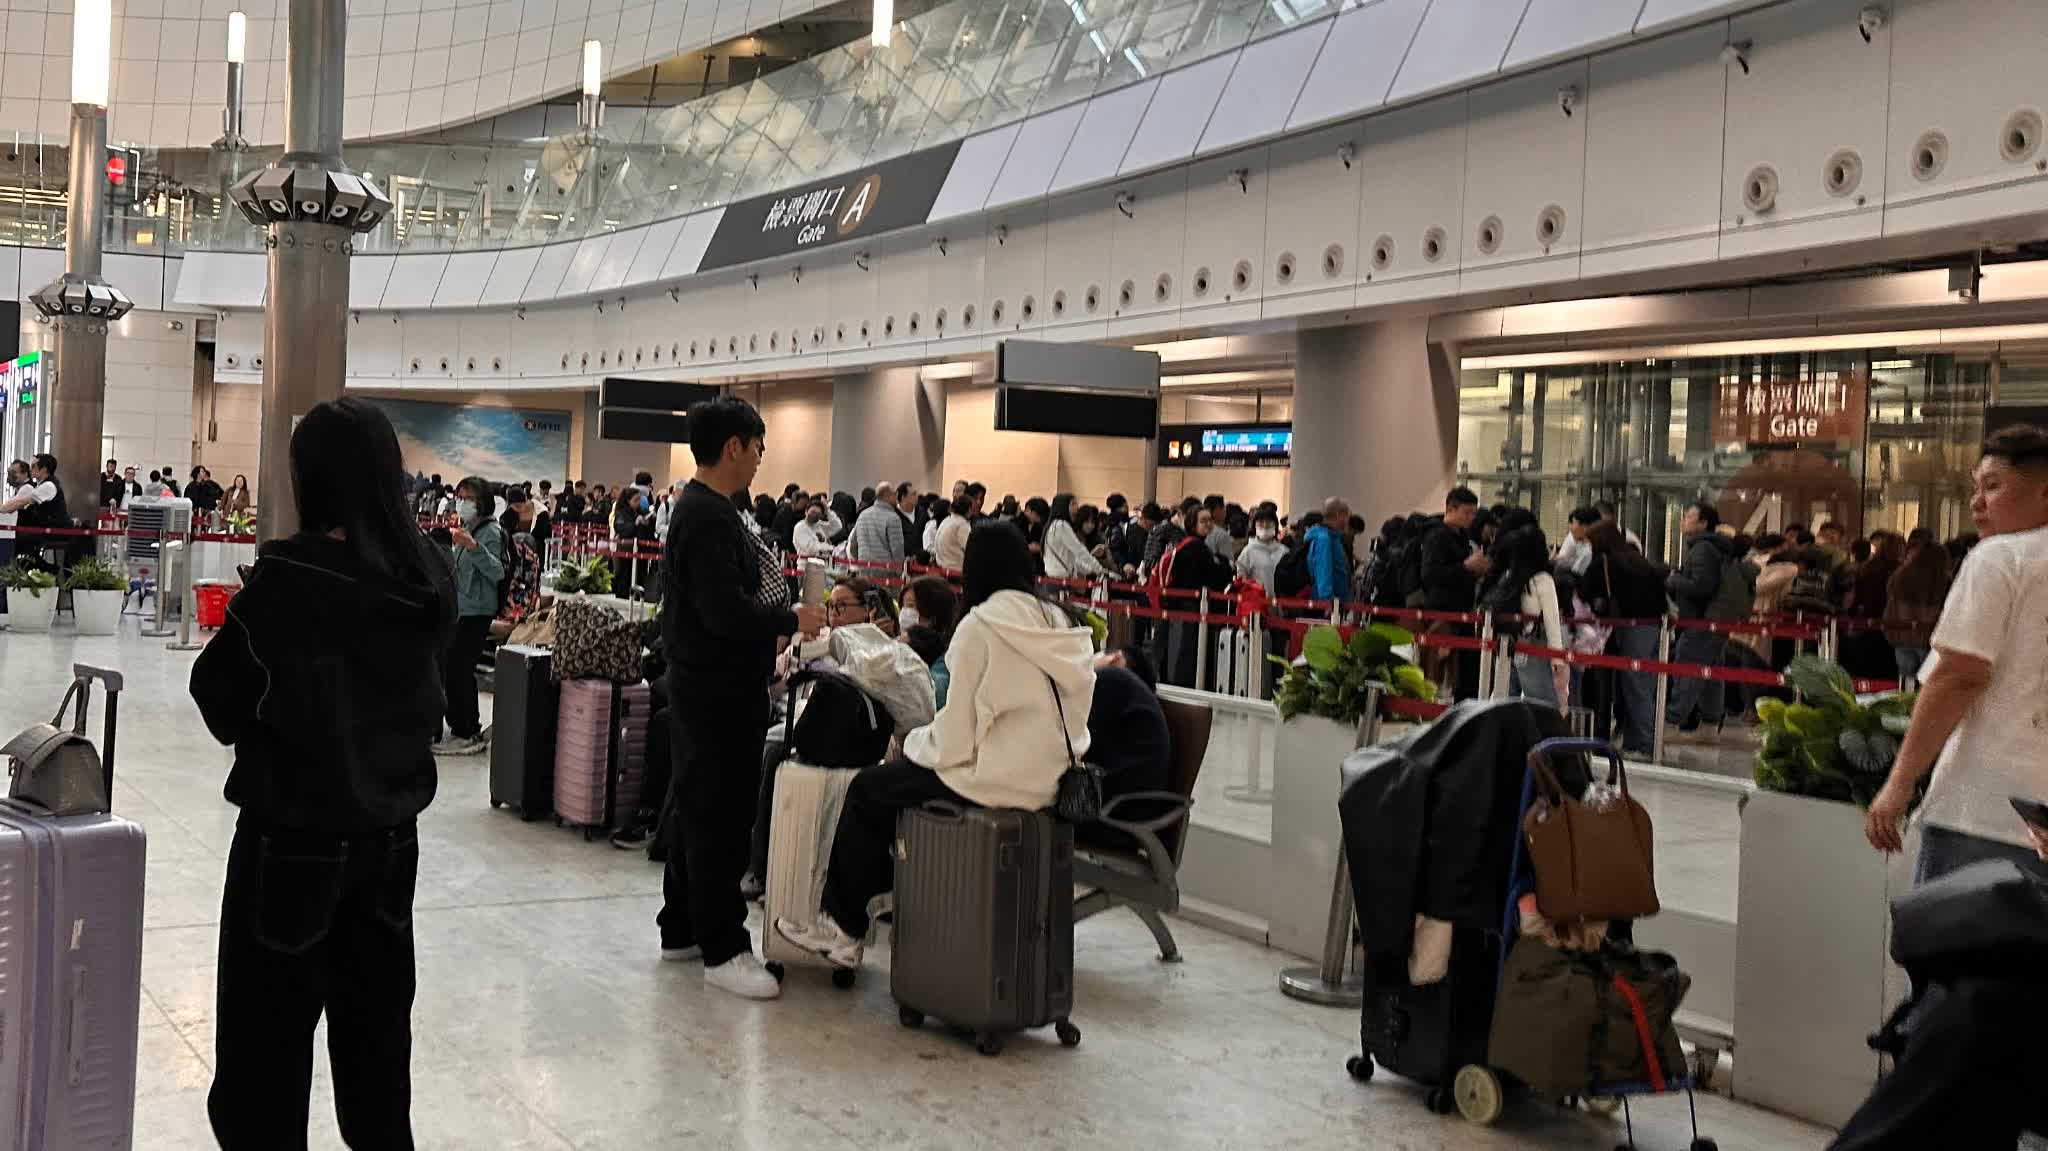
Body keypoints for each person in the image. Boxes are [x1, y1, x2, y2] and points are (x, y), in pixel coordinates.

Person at [189, 397, 454, 1150]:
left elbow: (218, 701)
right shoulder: (423, 585)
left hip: (289, 851)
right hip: (390, 851)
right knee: (377, 1075)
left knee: (261, 1081)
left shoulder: (286, 590)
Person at [776, 521, 1094, 970]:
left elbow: (955, 740)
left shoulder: (981, 627)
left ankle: (844, 929)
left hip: (990, 778)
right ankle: (878, 897)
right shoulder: (1061, 622)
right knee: (894, 789)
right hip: (1050, 783)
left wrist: (913, 742)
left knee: (870, 790)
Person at [660, 397, 824, 999]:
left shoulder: (705, 509)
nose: (759, 461)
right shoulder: (708, 516)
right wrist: (790, 618)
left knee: (695, 804)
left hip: (707, 682)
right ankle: (723, 947)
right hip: (716, 687)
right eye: (757, 448)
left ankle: (681, 925)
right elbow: (723, 612)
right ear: (734, 446)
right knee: (719, 815)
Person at [1866, 425, 2048, 881]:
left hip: (1987, 812)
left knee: (1956, 952)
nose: (1976, 503)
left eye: (1993, 486)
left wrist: (1899, 783)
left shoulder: (2001, 558)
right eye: (1975, 488)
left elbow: (1959, 676)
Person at [1580, 520, 1667, 757]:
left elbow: (1585, 590)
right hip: (1653, 626)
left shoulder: (1605, 562)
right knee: (1644, 686)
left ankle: (1643, 745)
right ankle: (1639, 740)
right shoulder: (1636, 558)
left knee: (1634, 685)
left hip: (1630, 626)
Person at [1077, 644, 1171, 853]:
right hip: (1122, 816)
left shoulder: (1113, 679)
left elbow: (1070, 743)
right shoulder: (1130, 696)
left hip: (1109, 820)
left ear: (1115, 659)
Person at [434, 476, 504, 757]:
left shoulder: (490, 532)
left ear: (482, 501)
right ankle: (458, 723)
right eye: (460, 497)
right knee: (452, 666)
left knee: (461, 668)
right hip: (461, 608)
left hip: (478, 611)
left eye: (469, 498)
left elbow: (496, 571)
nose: (462, 503)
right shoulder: (466, 527)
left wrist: (474, 547)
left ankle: (468, 728)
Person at [1490, 525, 1569, 714]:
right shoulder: (1543, 580)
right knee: (1542, 707)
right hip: (1532, 645)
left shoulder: (1508, 577)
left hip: (1506, 643)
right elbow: (1551, 620)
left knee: (1506, 705)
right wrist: (1557, 657)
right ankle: (1546, 743)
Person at [1420, 488, 1486, 698]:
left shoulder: (1462, 536)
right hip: (1443, 612)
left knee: (1466, 672)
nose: (1471, 518)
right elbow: (1430, 574)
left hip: (1463, 611)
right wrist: (1465, 566)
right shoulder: (1436, 536)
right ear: (1450, 508)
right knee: (1438, 671)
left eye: (1474, 513)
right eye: (1467, 513)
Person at [1884, 531, 1951, 687]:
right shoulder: (1943, 581)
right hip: (1931, 639)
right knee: (1928, 684)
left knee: (1905, 681)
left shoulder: (1899, 577)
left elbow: (1891, 607)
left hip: (1902, 637)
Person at [0, 453, 65, 570]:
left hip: (54, 530)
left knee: (20, 541)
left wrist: (3, 508)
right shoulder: (40, 486)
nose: (30, 468)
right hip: (43, 528)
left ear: (44, 469)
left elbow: (19, 503)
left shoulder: (48, 486)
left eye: (34, 466)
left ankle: (43, 572)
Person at [1041, 493, 1103, 582]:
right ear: (1063, 506)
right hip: (1061, 580)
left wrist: (1090, 570)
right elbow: (1078, 550)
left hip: (1053, 578)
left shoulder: (1052, 525)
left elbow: (1071, 557)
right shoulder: (1061, 525)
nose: (1077, 507)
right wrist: (1099, 569)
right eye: (1073, 504)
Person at [1304, 498, 1352, 603]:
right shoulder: (1324, 540)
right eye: (1347, 516)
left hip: (1335, 603)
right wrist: (1327, 601)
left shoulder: (1332, 538)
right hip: (1327, 606)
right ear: (1339, 515)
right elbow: (1323, 571)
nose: (1348, 521)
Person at [849, 479, 907, 564]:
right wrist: (900, 569)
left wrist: (861, 562)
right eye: (895, 494)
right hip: (886, 571)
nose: (896, 498)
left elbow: (853, 545)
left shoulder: (863, 515)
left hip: (864, 568)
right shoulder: (893, 518)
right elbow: (897, 550)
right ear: (888, 496)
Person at [1235, 506, 1286, 595]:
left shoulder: (1283, 551)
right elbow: (1241, 578)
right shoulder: (1248, 551)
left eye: (1269, 522)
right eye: (1261, 522)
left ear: (1275, 525)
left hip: (1279, 602)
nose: (1265, 525)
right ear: (1255, 526)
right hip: (1257, 602)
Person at [0, 459, 27, 614]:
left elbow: (7, 509)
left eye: (14, 473)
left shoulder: (26, 489)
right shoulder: (17, 491)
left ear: (24, 473)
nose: (10, 476)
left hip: (14, 537)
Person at [930, 494, 973, 569]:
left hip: (940, 566)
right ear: (969, 509)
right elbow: (970, 548)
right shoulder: (962, 524)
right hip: (955, 568)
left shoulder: (946, 520)